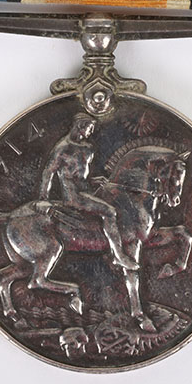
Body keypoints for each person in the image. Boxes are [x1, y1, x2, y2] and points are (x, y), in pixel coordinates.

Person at [39, 114, 140, 271]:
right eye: (89, 128)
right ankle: (119, 256)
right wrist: (43, 199)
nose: (91, 132)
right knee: (110, 212)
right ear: (80, 126)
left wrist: (94, 180)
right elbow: (48, 172)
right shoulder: (63, 148)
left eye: (92, 128)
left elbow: (80, 175)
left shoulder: (87, 148)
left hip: (87, 191)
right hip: (73, 196)